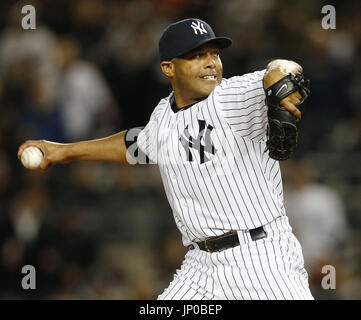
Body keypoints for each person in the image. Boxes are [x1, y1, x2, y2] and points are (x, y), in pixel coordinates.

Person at [18, 18, 313, 300]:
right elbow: (135, 145)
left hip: (261, 257)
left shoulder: (231, 97)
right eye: (197, 55)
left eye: (214, 53)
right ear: (168, 67)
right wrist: (64, 151)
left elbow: (282, 69)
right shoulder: (163, 116)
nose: (211, 62)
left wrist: (284, 85)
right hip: (202, 268)